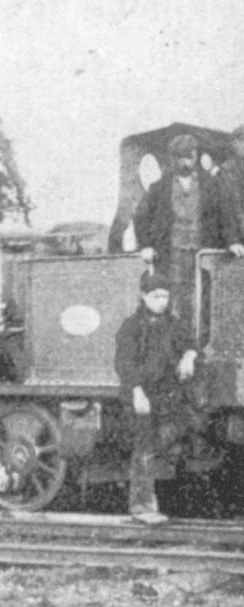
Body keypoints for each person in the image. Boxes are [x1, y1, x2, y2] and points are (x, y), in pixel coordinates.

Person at [114, 271, 199, 525]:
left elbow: (190, 343)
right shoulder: (131, 326)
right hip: (142, 396)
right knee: (144, 449)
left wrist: (189, 356)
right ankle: (141, 507)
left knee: (163, 445)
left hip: (168, 396)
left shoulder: (174, 324)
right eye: (156, 296)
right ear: (144, 296)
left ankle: (153, 502)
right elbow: (124, 364)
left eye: (165, 296)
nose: (162, 301)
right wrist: (137, 392)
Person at [134, 133, 244, 320]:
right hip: (172, 253)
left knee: (205, 297)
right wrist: (146, 245)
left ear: (195, 156)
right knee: (174, 298)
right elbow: (141, 217)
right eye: (180, 157)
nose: (185, 162)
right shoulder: (159, 187)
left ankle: (201, 342)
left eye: (189, 156)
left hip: (204, 252)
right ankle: (177, 343)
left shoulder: (213, 185)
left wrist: (233, 241)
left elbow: (227, 214)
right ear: (172, 158)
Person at [215, 125, 244, 256]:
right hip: (239, 244)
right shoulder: (226, 172)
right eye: (242, 140)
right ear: (234, 144)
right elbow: (225, 209)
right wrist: (232, 240)